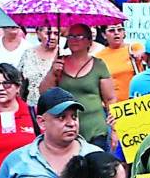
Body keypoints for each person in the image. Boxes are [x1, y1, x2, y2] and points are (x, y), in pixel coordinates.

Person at [39, 22, 115, 150]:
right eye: (71, 36)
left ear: (89, 41)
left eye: (80, 36)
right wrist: (53, 73)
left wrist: (114, 130)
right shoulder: (60, 62)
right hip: (65, 129)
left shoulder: (99, 65)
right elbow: (44, 93)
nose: (74, 40)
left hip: (95, 130)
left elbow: (110, 99)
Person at [93, 23, 139, 101]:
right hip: (113, 107)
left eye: (120, 29)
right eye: (111, 30)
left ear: (124, 32)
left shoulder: (134, 48)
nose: (116, 33)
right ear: (104, 35)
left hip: (135, 103)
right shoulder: (98, 57)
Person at [17, 25, 59, 106]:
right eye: (48, 33)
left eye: (56, 33)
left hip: (55, 107)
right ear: (38, 33)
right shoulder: (28, 53)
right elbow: (19, 81)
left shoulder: (64, 55)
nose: (53, 37)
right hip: (30, 107)